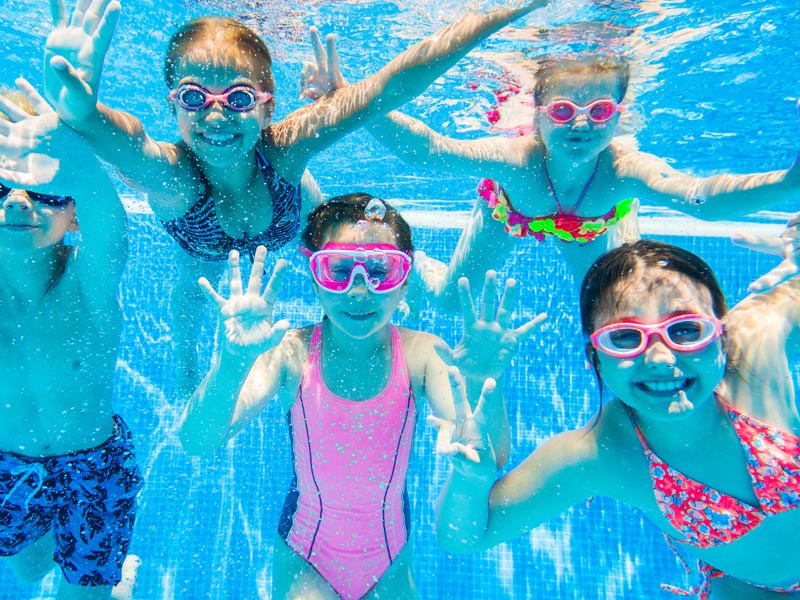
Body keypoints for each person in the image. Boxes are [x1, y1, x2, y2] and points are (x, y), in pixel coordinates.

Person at [41, 0, 549, 390]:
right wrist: (82, 111)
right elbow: (127, 142)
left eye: (238, 98)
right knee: (191, 286)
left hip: (291, 207)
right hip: (203, 242)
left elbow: (389, 87)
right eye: (194, 97)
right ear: (173, 105)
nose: (216, 116)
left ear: (267, 107)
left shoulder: (283, 149)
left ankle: (403, 287)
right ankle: (186, 359)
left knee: (348, 240)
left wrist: (506, 11)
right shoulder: (175, 177)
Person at [179, 193, 543, 599]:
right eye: (337, 269)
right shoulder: (290, 354)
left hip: (391, 561)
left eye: (379, 270)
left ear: (404, 281)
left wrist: (480, 380)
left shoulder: (423, 354)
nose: (358, 291)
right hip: (305, 557)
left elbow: (487, 451)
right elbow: (197, 439)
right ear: (315, 277)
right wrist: (231, 363)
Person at [429, 227, 800, 599]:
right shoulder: (601, 453)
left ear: (721, 333)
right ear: (597, 358)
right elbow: (466, 537)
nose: (660, 358)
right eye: (625, 337)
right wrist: (471, 480)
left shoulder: (758, 342)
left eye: (686, 330)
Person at [301, 45, 800, 312]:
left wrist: (786, 185)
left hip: (593, 224)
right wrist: (352, 101)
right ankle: (424, 264)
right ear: (537, 112)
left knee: (622, 304)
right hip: (510, 216)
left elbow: (696, 196)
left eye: (599, 110)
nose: (581, 124)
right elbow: (430, 151)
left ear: (618, 115)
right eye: (563, 110)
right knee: (455, 302)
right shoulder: (517, 159)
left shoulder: (623, 168)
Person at [0, 80, 143, 599]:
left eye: (45, 190)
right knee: (26, 570)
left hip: (93, 467)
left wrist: (75, 157)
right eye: (2, 188)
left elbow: (113, 225)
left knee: (84, 591)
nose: (18, 203)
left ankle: (110, 584)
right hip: (4, 466)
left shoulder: (89, 282)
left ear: (74, 212)